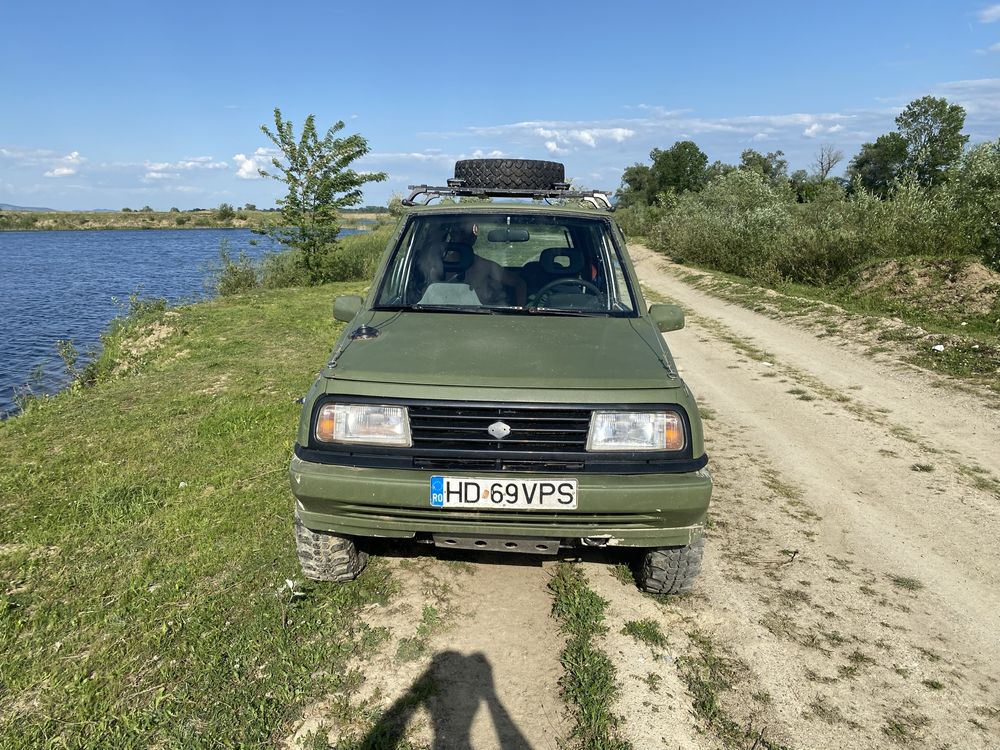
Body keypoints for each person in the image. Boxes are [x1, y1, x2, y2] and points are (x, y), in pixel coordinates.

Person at [446, 221, 527, 306]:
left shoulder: (486, 266)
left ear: (474, 238)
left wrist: (520, 311)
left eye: (469, 234)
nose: (465, 238)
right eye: (461, 233)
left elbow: (520, 284)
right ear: (452, 235)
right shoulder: (439, 266)